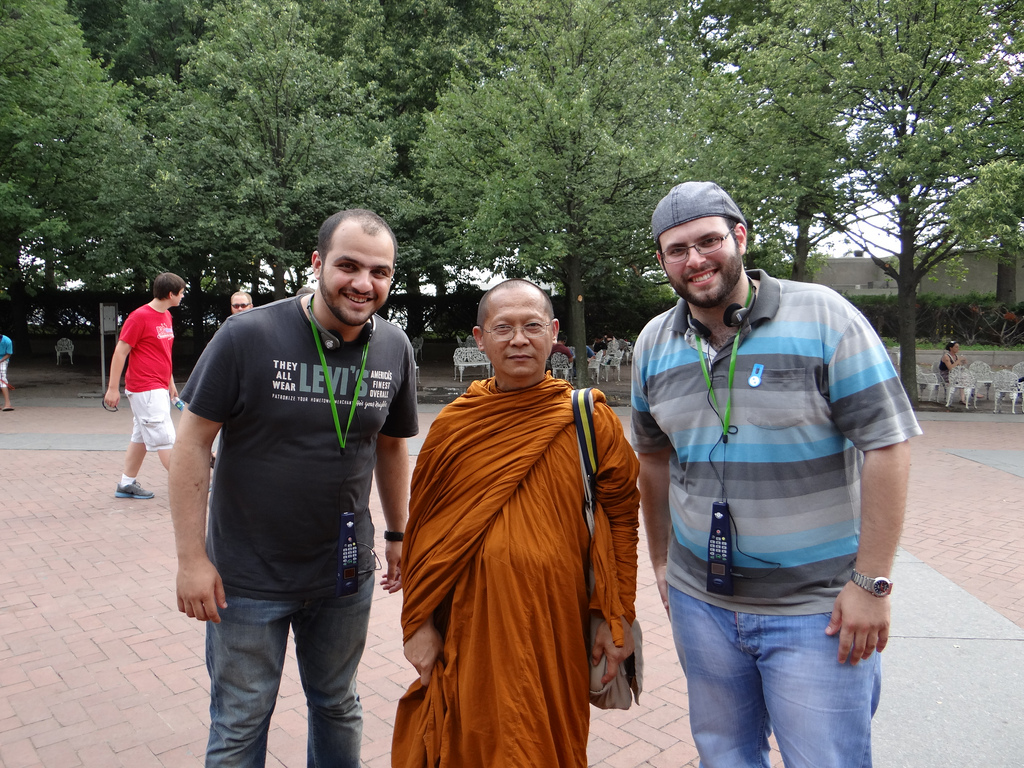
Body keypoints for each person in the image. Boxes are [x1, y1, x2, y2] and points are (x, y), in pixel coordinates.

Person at [631, 181, 921, 768]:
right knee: (725, 756)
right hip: (702, 604)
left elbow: (887, 446)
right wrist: (662, 563)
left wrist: (872, 583)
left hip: (818, 610)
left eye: (709, 241)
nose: (696, 260)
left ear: (739, 237)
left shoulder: (824, 316)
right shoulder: (653, 344)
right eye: (677, 250)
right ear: (662, 261)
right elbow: (653, 460)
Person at [169, 208, 417, 768]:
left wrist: (400, 531)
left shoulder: (393, 346)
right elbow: (190, 445)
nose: (363, 283)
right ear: (317, 263)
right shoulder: (247, 335)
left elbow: (392, 446)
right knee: (240, 720)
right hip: (247, 578)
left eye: (379, 271)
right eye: (348, 265)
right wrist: (191, 559)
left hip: (344, 574)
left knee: (337, 704)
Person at [393, 279, 640, 768]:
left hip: (558, 627)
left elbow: (621, 523)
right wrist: (416, 622)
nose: (519, 339)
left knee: (545, 744)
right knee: (471, 740)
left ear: (552, 334)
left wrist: (616, 616)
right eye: (503, 327)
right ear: (479, 338)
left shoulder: (590, 421)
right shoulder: (454, 426)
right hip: (470, 627)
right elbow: (423, 531)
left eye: (531, 326)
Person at [104, 272, 186, 499]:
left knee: (140, 437)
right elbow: (121, 351)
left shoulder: (167, 317)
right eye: (181, 293)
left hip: (158, 387)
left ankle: (126, 484)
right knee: (166, 438)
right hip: (145, 388)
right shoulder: (139, 317)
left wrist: (169, 382)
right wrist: (112, 388)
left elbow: (163, 352)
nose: (182, 297)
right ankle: (188, 483)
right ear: (170, 294)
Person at [0, 329, 13, 411]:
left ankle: (8, 404)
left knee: (2, 379)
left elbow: (9, 354)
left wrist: (0, 361)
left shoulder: (7, 341)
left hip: (3, 359)